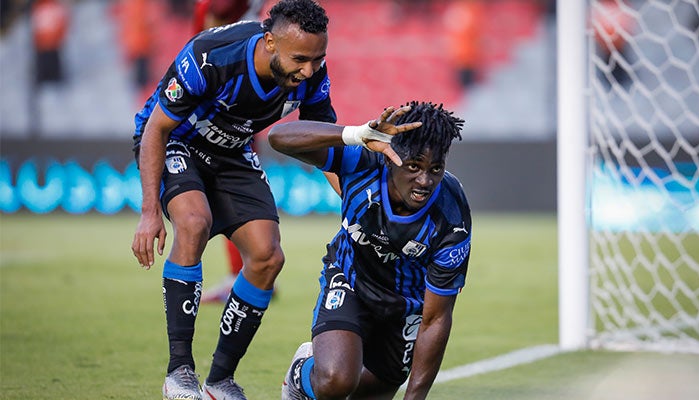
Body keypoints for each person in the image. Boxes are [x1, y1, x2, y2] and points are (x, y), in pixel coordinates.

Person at [130, 1, 336, 399]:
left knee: (267, 256)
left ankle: (220, 381)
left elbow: (321, 141)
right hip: (177, 140)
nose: (309, 70)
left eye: (317, 58)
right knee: (193, 222)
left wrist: (355, 201)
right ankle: (179, 374)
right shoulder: (211, 56)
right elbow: (156, 129)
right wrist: (149, 212)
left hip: (231, 150)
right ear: (270, 42)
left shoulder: (311, 71)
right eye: (300, 59)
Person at [268, 102, 472, 399]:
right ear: (390, 158)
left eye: (435, 169)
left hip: (406, 304)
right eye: (413, 166)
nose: (425, 181)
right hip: (351, 279)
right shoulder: (362, 161)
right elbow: (279, 137)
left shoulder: (452, 216)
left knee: (367, 393)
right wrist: (352, 134)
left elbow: (437, 318)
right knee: (335, 382)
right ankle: (301, 375)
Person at [190, 0, 266, 305]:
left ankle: (243, 275)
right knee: (226, 189)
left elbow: (215, 16)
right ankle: (247, 273)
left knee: (222, 190)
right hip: (235, 92)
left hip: (221, 97)